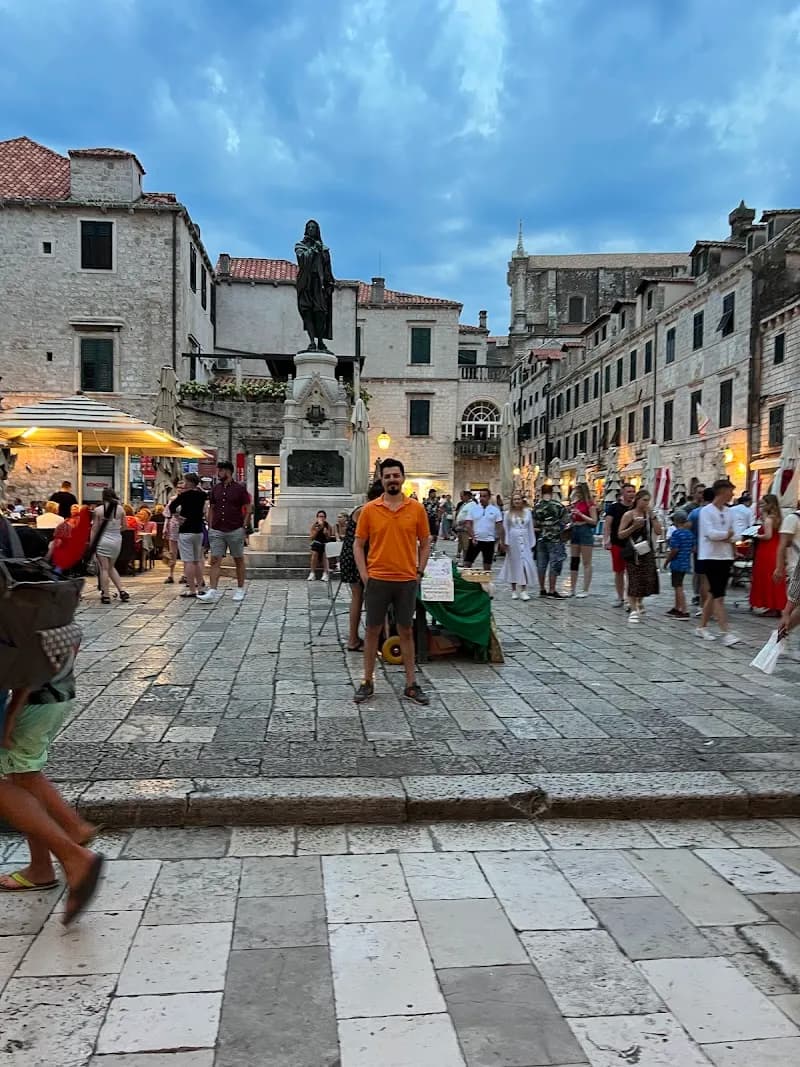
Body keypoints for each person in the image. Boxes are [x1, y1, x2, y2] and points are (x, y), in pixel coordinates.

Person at [0, 651, 104, 922]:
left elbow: (22, 655)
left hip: (36, 700)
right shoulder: (48, 609)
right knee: (22, 775)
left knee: (23, 776)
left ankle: (72, 840)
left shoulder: (21, 611)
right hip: (56, 694)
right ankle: (45, 864)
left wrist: (13, 710)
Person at [352, 457, 431, 706]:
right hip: (378, 578)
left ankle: (411, 683)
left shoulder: (416, 509)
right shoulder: (370, 510)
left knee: (406, 631)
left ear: (403, 478)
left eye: (396, 475)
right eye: (387, 476)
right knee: (372, 630)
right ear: (381, 480)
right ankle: (367, 681)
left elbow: (426, 542)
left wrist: (419, 571)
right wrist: (364, 574)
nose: (392, 480)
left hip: (406, 579)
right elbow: (358, 544)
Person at [197, 460, 251, 603]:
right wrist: (210, 525)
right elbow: (212, 507)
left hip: (234, 528)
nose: (218, 473)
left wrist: (243, 527)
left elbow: (248, 508)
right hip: (217, 529)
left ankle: (240, 588)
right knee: (215, 559)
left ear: (227, 471)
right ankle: (213, 590)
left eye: (220, 471)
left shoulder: (239, 489)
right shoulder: (216, 488)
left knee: (238, 559)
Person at [340, 481, 384, 651]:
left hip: (355, 556)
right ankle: (353, 639)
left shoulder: (366, 508)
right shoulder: (367, 510)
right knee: (358, 597)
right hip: (356, 558)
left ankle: (366, 636)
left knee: (360, 597)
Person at [695, 478, 739, 645]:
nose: (732, 495)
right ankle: (725, 632)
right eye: (730, 491)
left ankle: (702, 627)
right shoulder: (706, 511)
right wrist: (725, 536)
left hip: (725, 556)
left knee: (714, 594)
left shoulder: (729, 512)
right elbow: (710, 533)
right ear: (722, 492)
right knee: (719, 596)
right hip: (710, 556)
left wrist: (729, 537)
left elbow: (736, 533)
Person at [618, 489, 662, 624]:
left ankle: (639, 602)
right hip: (633, 552)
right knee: (634, 580)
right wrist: (633, 527)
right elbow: (620, 534)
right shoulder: (628, 514)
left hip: (646, 551)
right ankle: (633, 609)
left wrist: (653, 516)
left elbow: (658, 531)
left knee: (646, 580)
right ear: (638, 500)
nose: (646, 503)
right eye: (644, 500)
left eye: (648, 500)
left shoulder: (649, 515)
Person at [171, 473, 207, 598]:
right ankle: (201, 587)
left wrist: (178, 517)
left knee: (189, 561)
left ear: (189, 482)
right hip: (198, 530)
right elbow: (206, 494)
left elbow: (171, 507)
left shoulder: (183, 496)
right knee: (197, 561)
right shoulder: (202, 495)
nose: (183, 483)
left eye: (185, 481)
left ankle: (192, 589)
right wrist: (198, 486)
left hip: (186, 530)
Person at [750, 493, 786, 615]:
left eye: (763, 504)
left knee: (766, 577)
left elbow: (768, 536)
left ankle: (771, 605)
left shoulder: (769, 520)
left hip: (766, 550)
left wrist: (756, 535)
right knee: (774, 579)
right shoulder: (778, 518)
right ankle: (776, 605)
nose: (761, 506)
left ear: (769, 504)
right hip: (775, 550)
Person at [497, 490, 536, 600]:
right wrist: (505, 542)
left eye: (518, 499)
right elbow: (505, 528)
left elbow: (530, 528)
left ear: (521, 500)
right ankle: (514, 589)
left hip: (525, 539)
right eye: (515, 499)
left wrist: (532, 541)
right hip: (513, 540)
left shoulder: (527, 512)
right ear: (512, 501)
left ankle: (523, 589)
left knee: (525, 564)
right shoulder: (507, 513)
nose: (517, 501)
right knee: (513, 564)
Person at [92, 488, 129, 604]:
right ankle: (122, 590)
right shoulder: (121, 510)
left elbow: (95, 529)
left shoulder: (98, 510)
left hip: (102, 540)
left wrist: (92, 544)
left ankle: (106, 595)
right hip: (116, 540)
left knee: (104, 568)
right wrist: (115, 530)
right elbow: (125, 527)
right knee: (111, 567)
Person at [532, 484, 568, 597]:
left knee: (541, 564)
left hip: (541, 538)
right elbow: (566, 521)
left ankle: (542, 589)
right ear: (552, 492)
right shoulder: (559, 506)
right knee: (554, 563)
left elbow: (534, 524)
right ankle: (552, 589)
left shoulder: (537, 506)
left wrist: (543, 527)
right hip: (555, 539)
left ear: (541, 492)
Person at [603, 483, 636, 607]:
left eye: (633, 491)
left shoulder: (635, 507)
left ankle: (630, 598)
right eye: (628, 491)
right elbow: (607, 525)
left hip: (632, 543)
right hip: (617, 543)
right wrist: (606, 540)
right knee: (619, 571)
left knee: (631, 571)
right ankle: (620, 597)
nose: (631, 494)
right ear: (623, 493)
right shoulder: (614, 507)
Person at [568, 482, 598, 598]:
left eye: (577, 492)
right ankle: (572, 588)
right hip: (575, 529)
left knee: (586, 562)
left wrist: (581, 514)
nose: (576, 494)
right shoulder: (576, 503)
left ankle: (585, 589)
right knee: (574, 560)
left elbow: (594, 521)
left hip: (585, 530)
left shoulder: (590, 504)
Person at [462, 488, 504, 569]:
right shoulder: (473, 509)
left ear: (489, 497)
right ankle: (467, 580)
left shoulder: (495, 510)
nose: (482, 498)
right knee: (467, 563)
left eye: (484, 496)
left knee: (487, 565)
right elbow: (468, 524)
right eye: (480, 496)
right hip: (475, 540)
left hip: (489, 541)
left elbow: (499, 525)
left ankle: (486, 580)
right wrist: (473, 536)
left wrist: (500, 540)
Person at [689, 487, 715, 610]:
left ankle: (702, 604)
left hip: (699, 548)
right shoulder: (716, 511)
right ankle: (709, 605)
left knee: (702, 577)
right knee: (709, 578)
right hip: (711, 549)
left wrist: (693, 543)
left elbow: (689, 528)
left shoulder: (695, 512)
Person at [664, 509, 693, 619]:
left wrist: (667, 561)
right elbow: (693, 548)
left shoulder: (676, 534)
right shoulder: (690, 534)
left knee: (678, 587)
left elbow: (674, 550)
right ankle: (676, 607)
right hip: (685, 562)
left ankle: (684, 610)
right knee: (678, 585)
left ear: (676, 521)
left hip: (677, 563)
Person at [308, 510, 334, 582]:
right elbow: (311, 538)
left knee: (325, 554)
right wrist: (317, 531)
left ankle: (325, 573)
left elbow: (329, 538)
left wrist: (326, 533)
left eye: (323, 516)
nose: (321, 518)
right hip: (316, 543)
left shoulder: (328, 526)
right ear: (317, 517)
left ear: (325, 518)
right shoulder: (314, 525)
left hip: (325, 544)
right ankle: (312, 573)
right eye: (320, 516)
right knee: (315, 553)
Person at [163, 483, 182, 584]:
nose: (180, 489)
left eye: (182, 487)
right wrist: (165, 527)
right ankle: (171, 574)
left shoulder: (188, 499)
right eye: (178, 487)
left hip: (185, 526)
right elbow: (167, 514)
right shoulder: (173, 499)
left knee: (184, 551)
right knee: (172, 552)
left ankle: (185, 574)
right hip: (174, 526)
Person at [454, 490, 474, 562]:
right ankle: (464, 560)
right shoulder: (464, 504)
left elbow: (471, 516)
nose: (461, 498)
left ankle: (466, 561)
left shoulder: (472, 505)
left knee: (466, 546)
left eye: (462, 496)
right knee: (462, 545)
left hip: (465, 528)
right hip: (460, 528)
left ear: (467, 496)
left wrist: (464, 522)